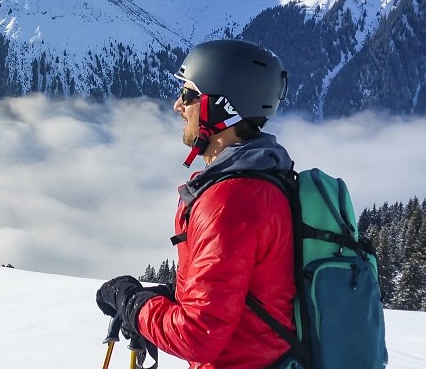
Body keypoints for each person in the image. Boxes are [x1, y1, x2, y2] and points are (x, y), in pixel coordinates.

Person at [96, 39, 297, 369]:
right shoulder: (266, 179)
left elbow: (197, 335)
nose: (177, 105)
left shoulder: (230, 203)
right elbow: (245, 289)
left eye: (188, 95)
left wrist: (132, 303)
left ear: (221, 107)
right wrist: (171, 298)